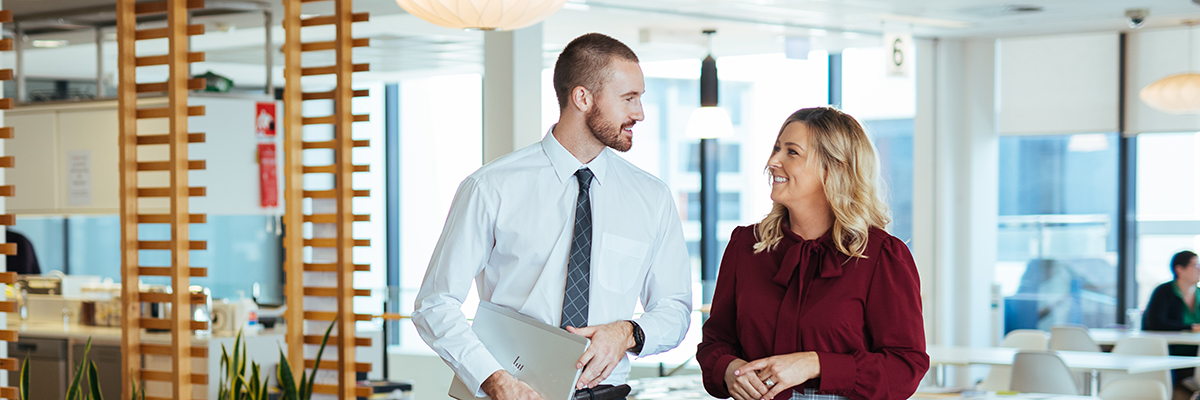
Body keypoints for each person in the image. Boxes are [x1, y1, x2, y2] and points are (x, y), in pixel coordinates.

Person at [412, 33, 692, 400]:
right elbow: (435, 304)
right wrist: (493, 379)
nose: (639, 113)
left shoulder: (651, 198)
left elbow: (674, 308)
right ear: (582, 98)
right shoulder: (490, 187)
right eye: (629, 98)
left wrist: (628, 332)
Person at [697, 107, 928, 400]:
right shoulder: (745, 246)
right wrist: (730, 371)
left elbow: (906, 367)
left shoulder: (882, 256)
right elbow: (715, 342)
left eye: (791, 152)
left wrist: (814, 363)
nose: (773, 161)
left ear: (833, 168)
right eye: (776, 148)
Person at [1142, 250, 1200, 387]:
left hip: (1195, 350)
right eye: (1195, 265)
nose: (1199, 269)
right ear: (1180, 269)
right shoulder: (1164, 291)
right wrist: (1190, 327)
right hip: (1170, 351)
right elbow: (1156, 323)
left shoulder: (1198, 293)